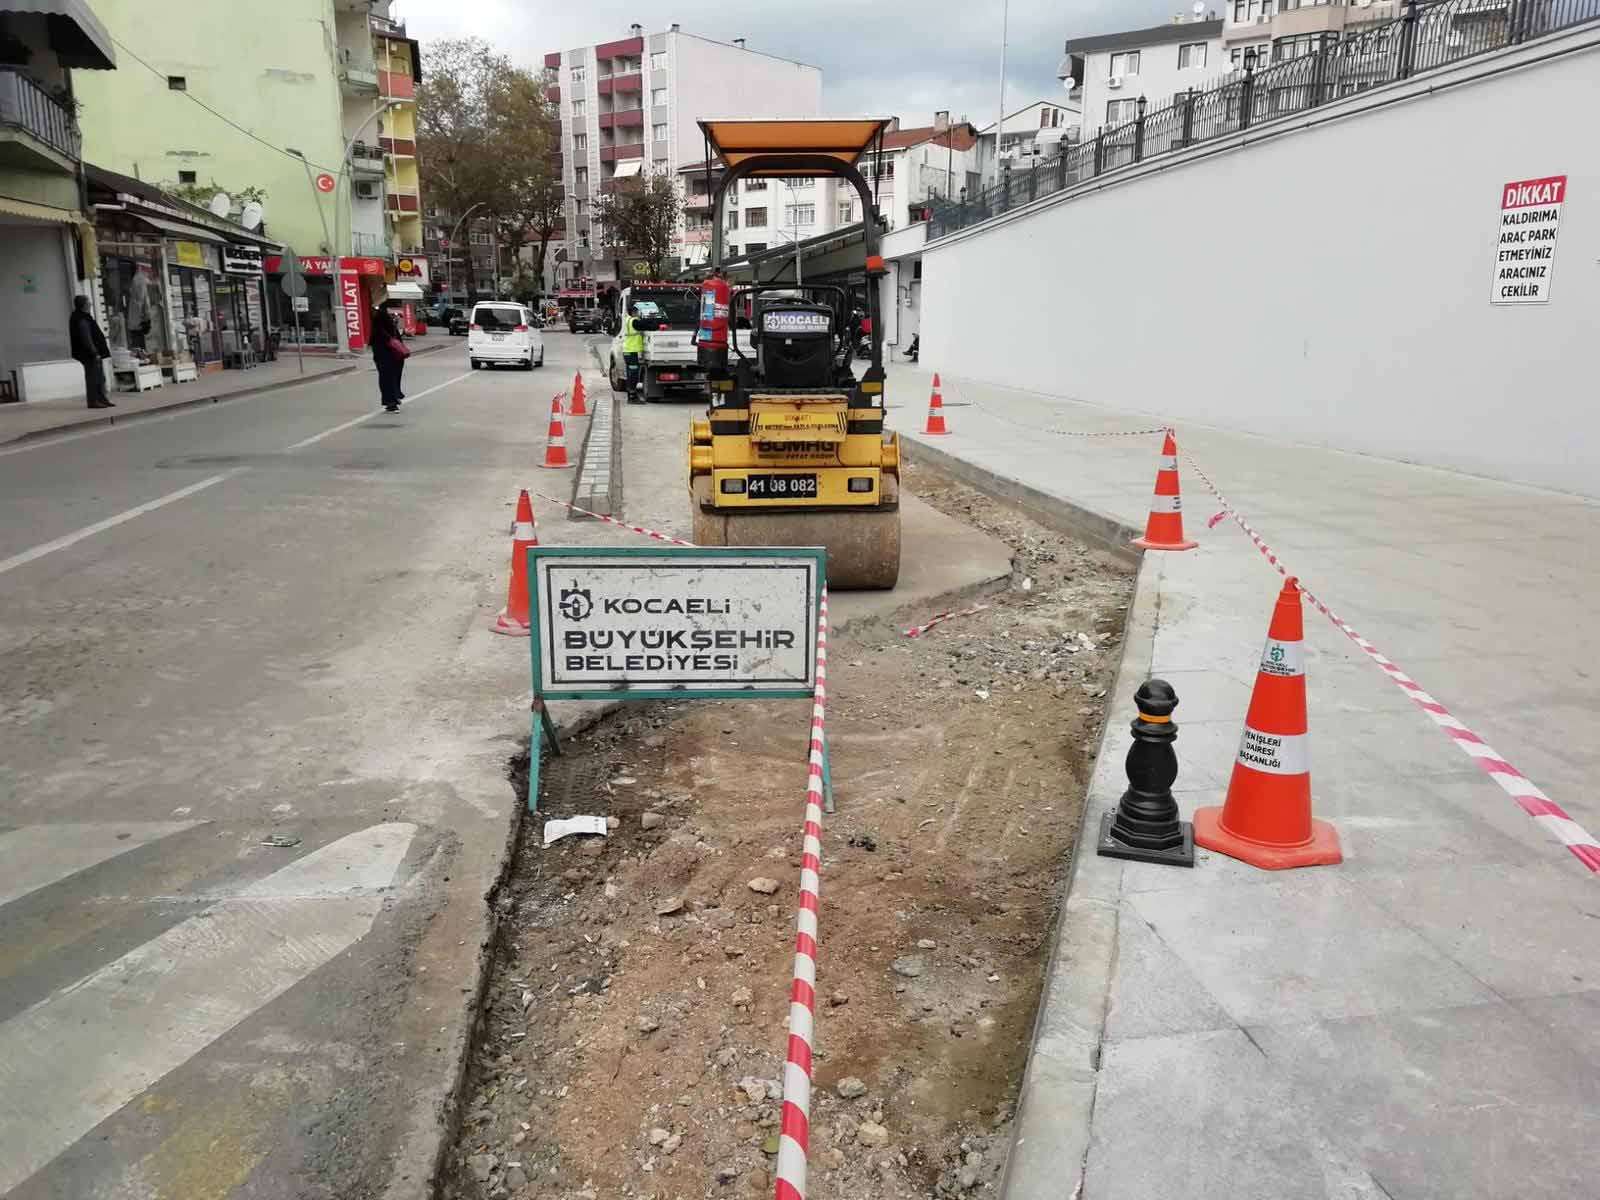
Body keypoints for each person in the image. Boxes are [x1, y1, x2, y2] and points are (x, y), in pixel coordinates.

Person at [68, 295, 113, 409]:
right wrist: (94, 353)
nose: (91, 304)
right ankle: (93, 401)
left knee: (100, 377)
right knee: (93, 378)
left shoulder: (83, 316)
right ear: (84, 305)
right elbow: (86, 338)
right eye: (89, 302)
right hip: (89, 354)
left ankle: (102, 399)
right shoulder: (81, 318)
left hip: (92, 354)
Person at [370, 299, 407, 412]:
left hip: (385, 357)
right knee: (391, 378)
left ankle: (391, 399)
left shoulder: (378, 330)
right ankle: (392, 400)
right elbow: (396, 341)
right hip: (392, 357)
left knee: (387, 378)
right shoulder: (387, 328)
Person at [621, 301, 644, 403]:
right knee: (633, 374)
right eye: (637, 311)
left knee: (630, 374)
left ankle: (630, 395)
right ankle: (632, 397)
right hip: (631, 352)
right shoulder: (634, 321)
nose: (638, 313)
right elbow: (644, 326)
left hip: (627, 351)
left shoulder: (628, 320)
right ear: (633, 312)